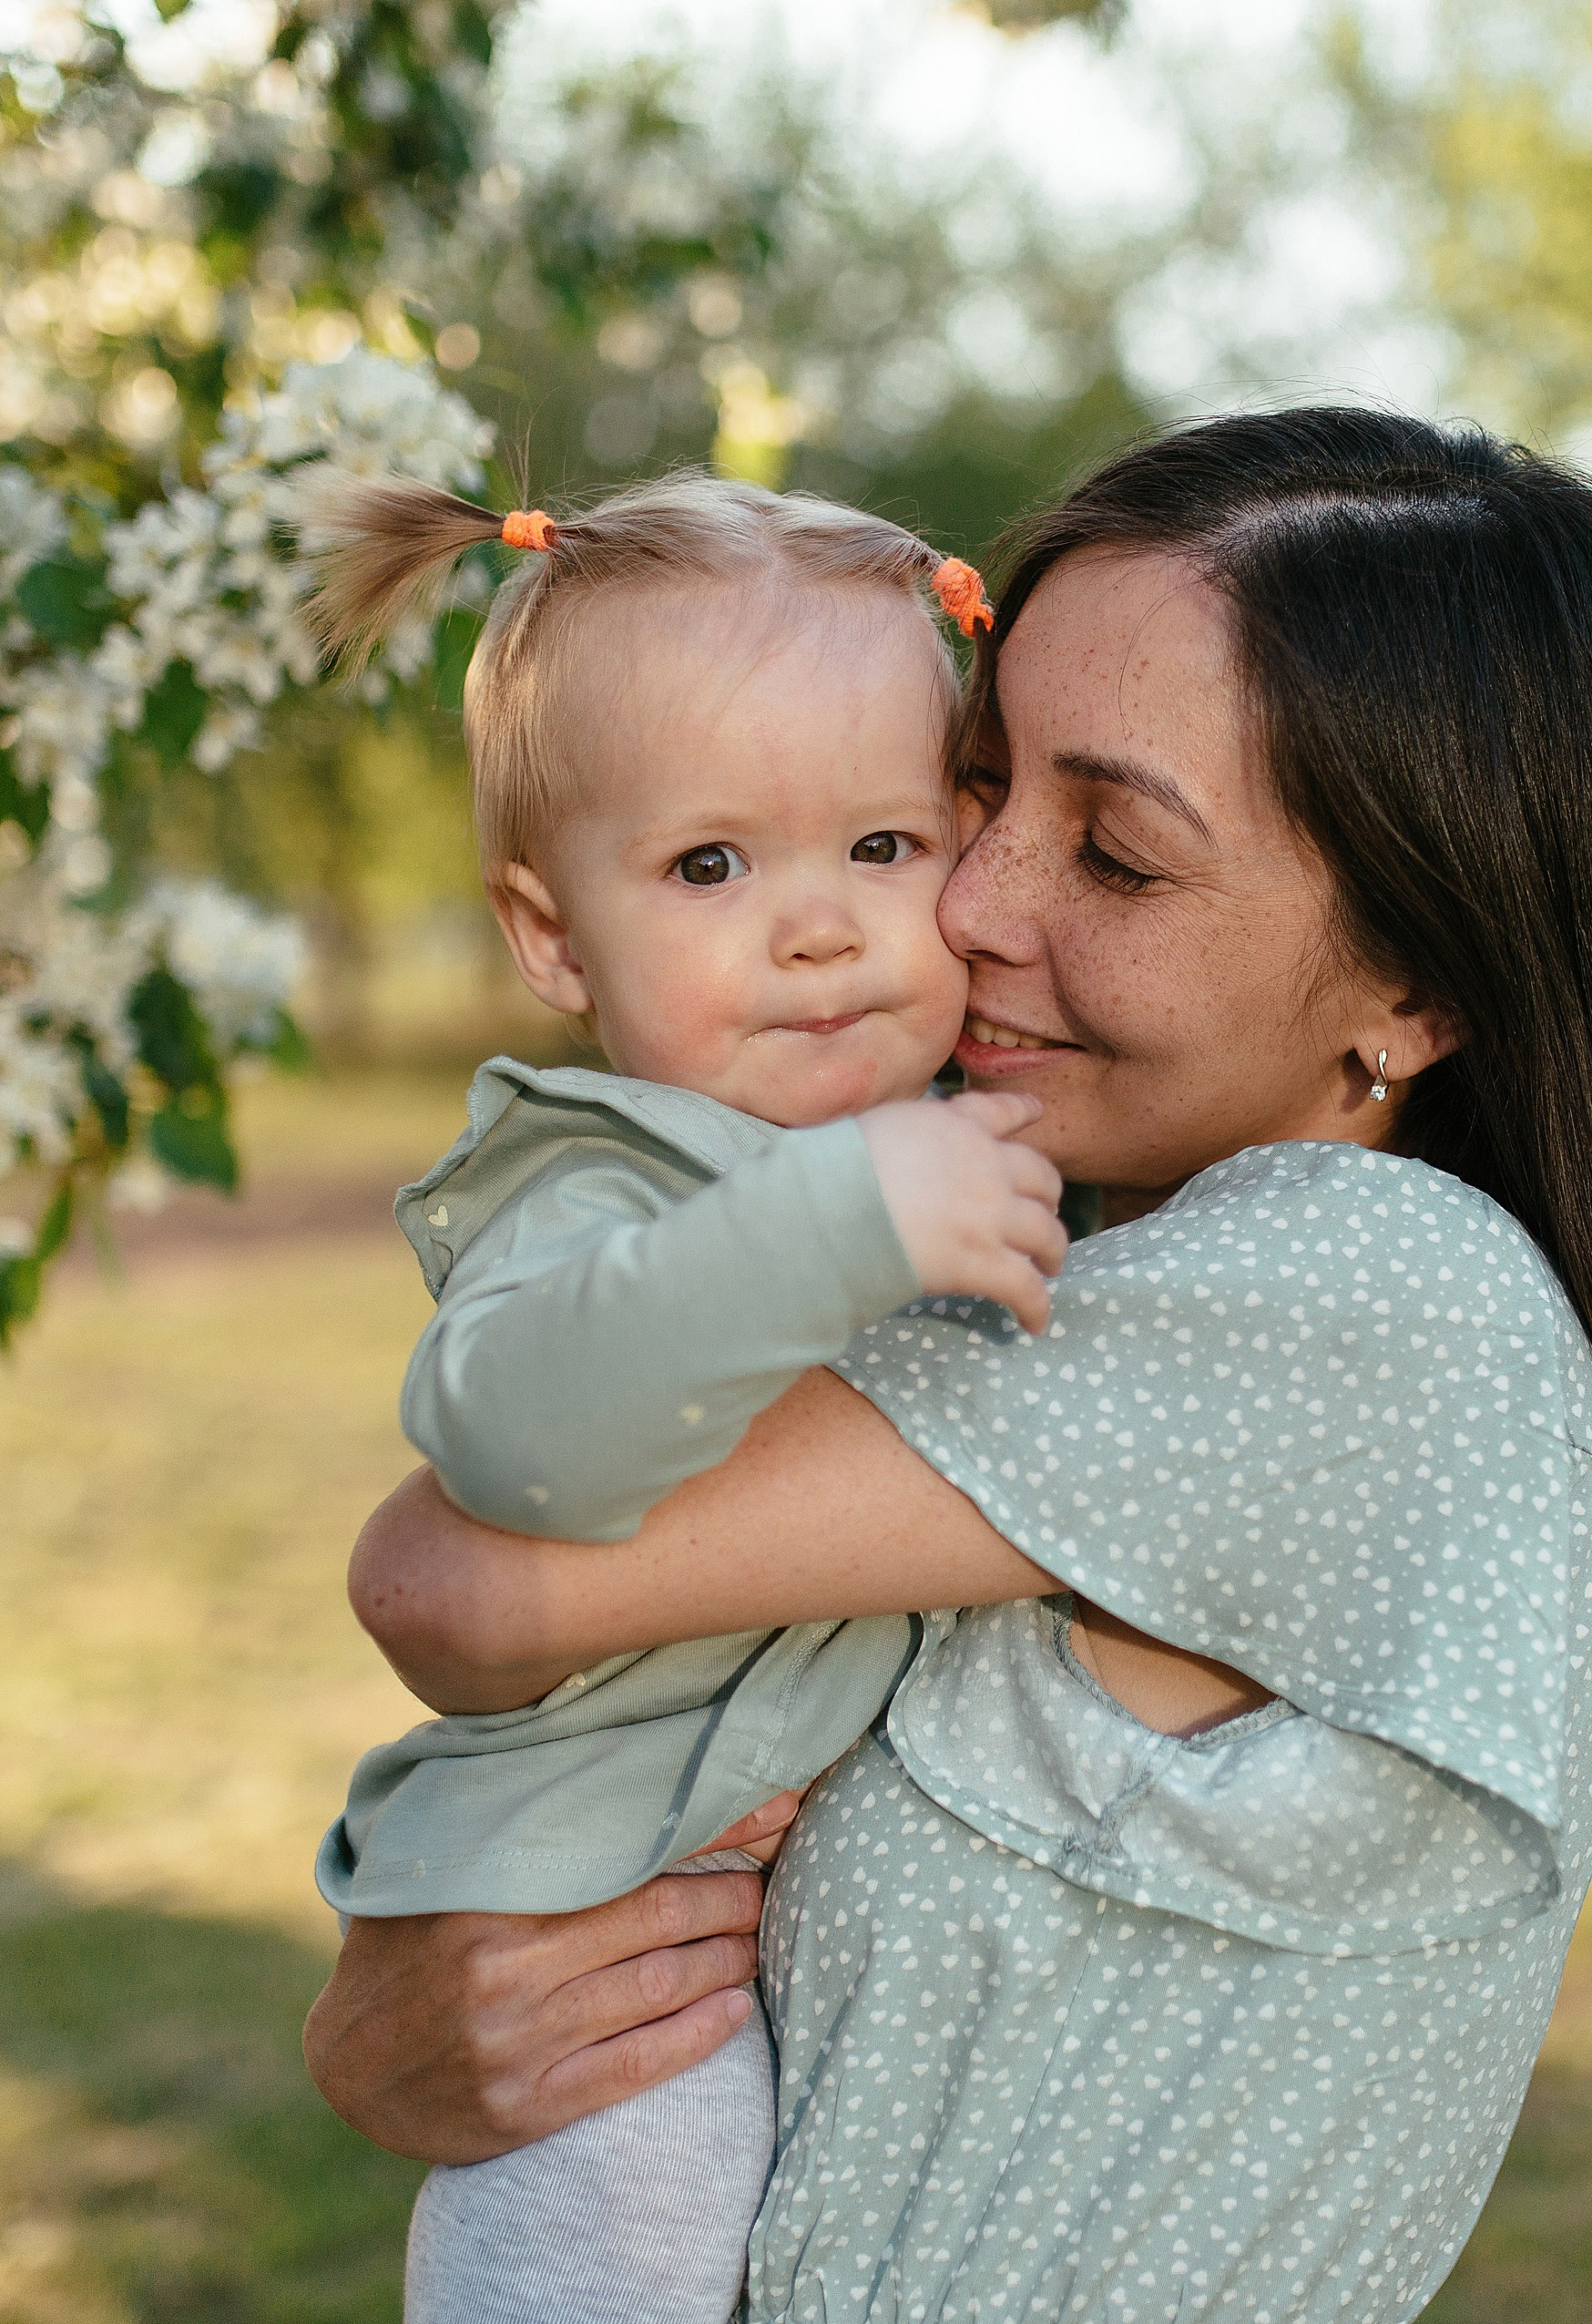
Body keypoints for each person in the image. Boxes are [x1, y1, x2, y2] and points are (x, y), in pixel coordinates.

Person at [307, 409, 1592, 2323]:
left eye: (1120, 855)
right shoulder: (1084, 1264)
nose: (972, 907)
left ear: (1415, 990)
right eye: (978, 789)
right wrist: (429, 2022)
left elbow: (447, 1579)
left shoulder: (1364, 1292)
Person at [297, 467, 1068, 2324]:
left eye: (882, 848)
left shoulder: (946, 1146)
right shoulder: (606, 1185)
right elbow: (512, 1429)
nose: (814, 927)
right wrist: (842, 1223)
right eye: (710, 864)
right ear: (552, 937)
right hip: (599, 1972)